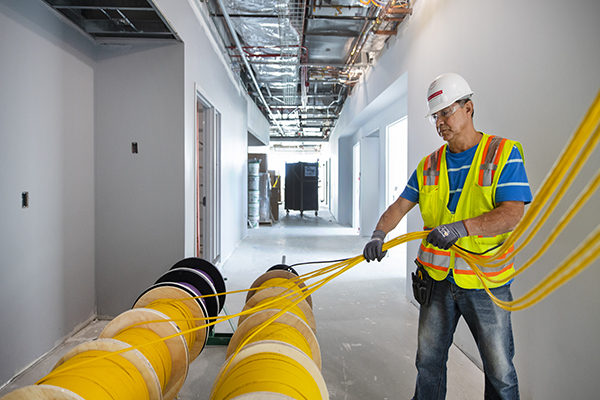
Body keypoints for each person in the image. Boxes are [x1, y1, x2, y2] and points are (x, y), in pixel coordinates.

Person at [363, 73, 532, 400]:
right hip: (436, 280)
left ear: (468, 108)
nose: (440, 122)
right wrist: (378, 233)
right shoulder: (429, 165)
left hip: (486, 283)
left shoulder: (502, 153)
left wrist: (462, 228)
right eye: (435, 116)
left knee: (500, 372)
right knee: (428, 362)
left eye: (446, 112)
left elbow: (512, 213)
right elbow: (399, 206)